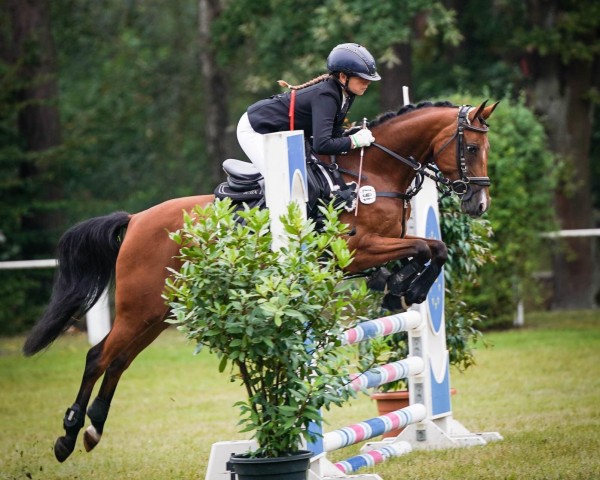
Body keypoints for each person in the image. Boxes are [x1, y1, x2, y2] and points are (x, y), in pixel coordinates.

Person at [236, 43, 381, 177]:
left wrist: (353, 134)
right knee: (282, 181)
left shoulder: (347, 94)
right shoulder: (326, 96)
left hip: (279, 134)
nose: (367, 83)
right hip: (256, 129)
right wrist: (353, 141)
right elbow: (322, 144)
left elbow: (334, 134)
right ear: (343, 77)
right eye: (362, 79)